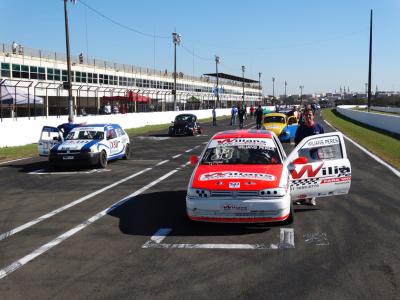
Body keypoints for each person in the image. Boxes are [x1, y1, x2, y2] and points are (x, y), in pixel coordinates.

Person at [294, 108, 325, 206]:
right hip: (303, 158)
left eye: (310, 115)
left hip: (315, 157)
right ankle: (302, 198)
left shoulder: (319, 127)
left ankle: (312, 198)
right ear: (304, 116)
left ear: (313, 116)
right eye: (306, 115)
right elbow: (296, 142)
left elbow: (323, 142)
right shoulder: (300, 128)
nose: (308, 117)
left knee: (314, 179)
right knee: (302, 179)